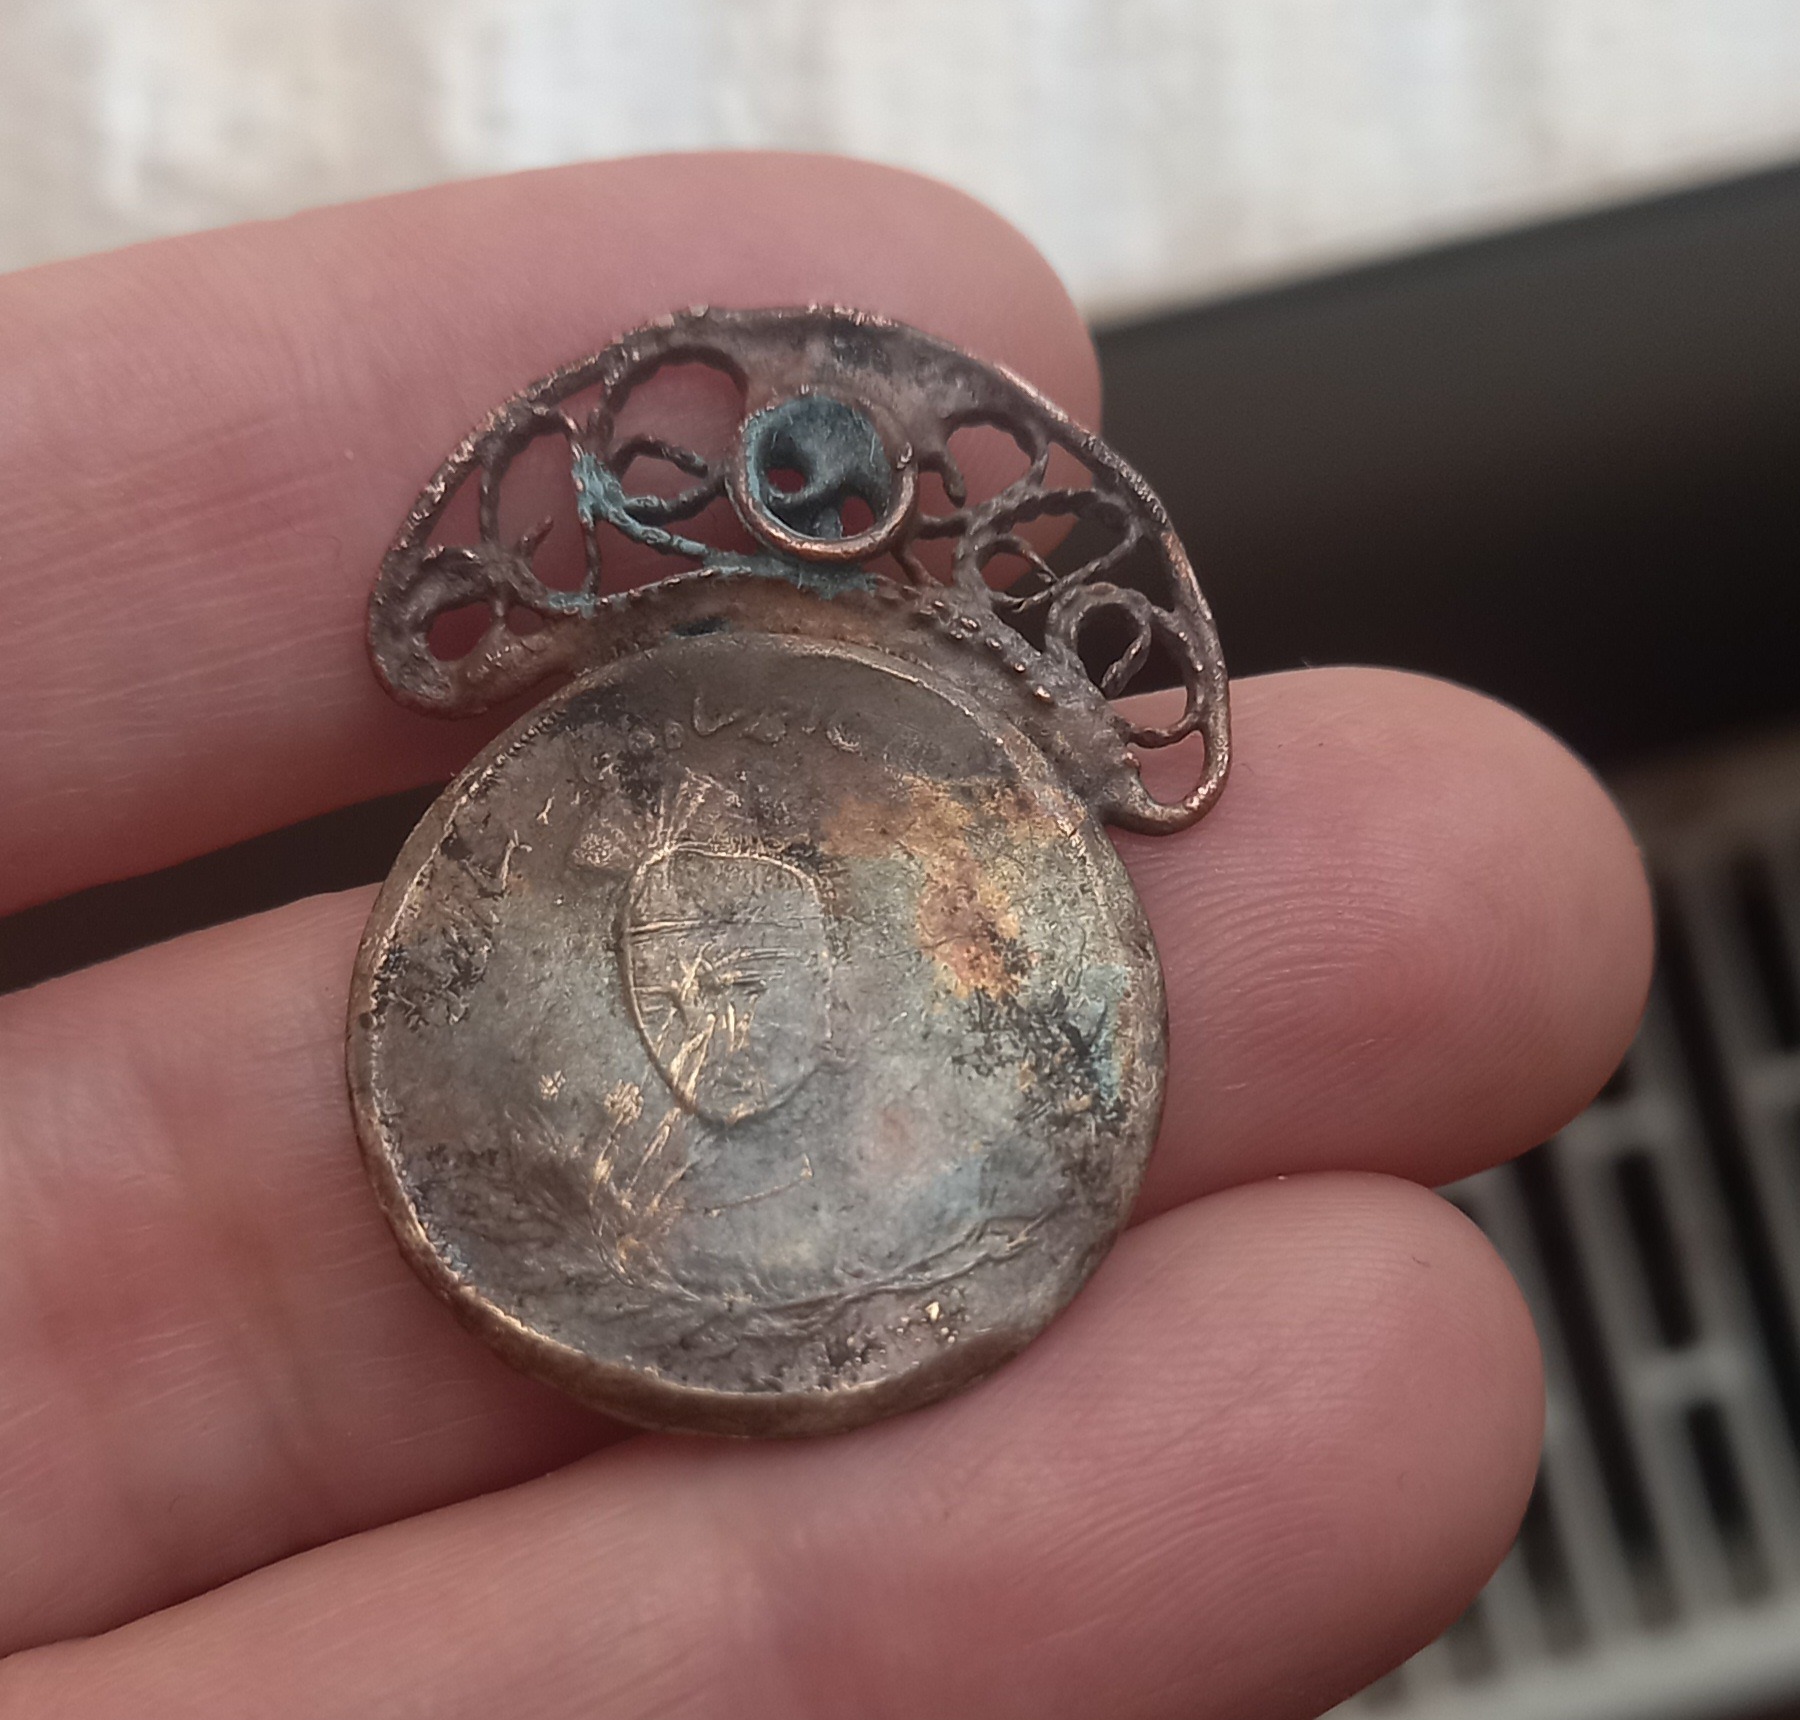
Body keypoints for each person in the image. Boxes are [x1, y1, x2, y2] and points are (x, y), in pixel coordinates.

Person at [0, 153, 1652, 1719]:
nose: (703, 993)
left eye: (742, 950)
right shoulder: (598, 1184)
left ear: (829, 946)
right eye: (667, 962)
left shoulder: (944, 1178)